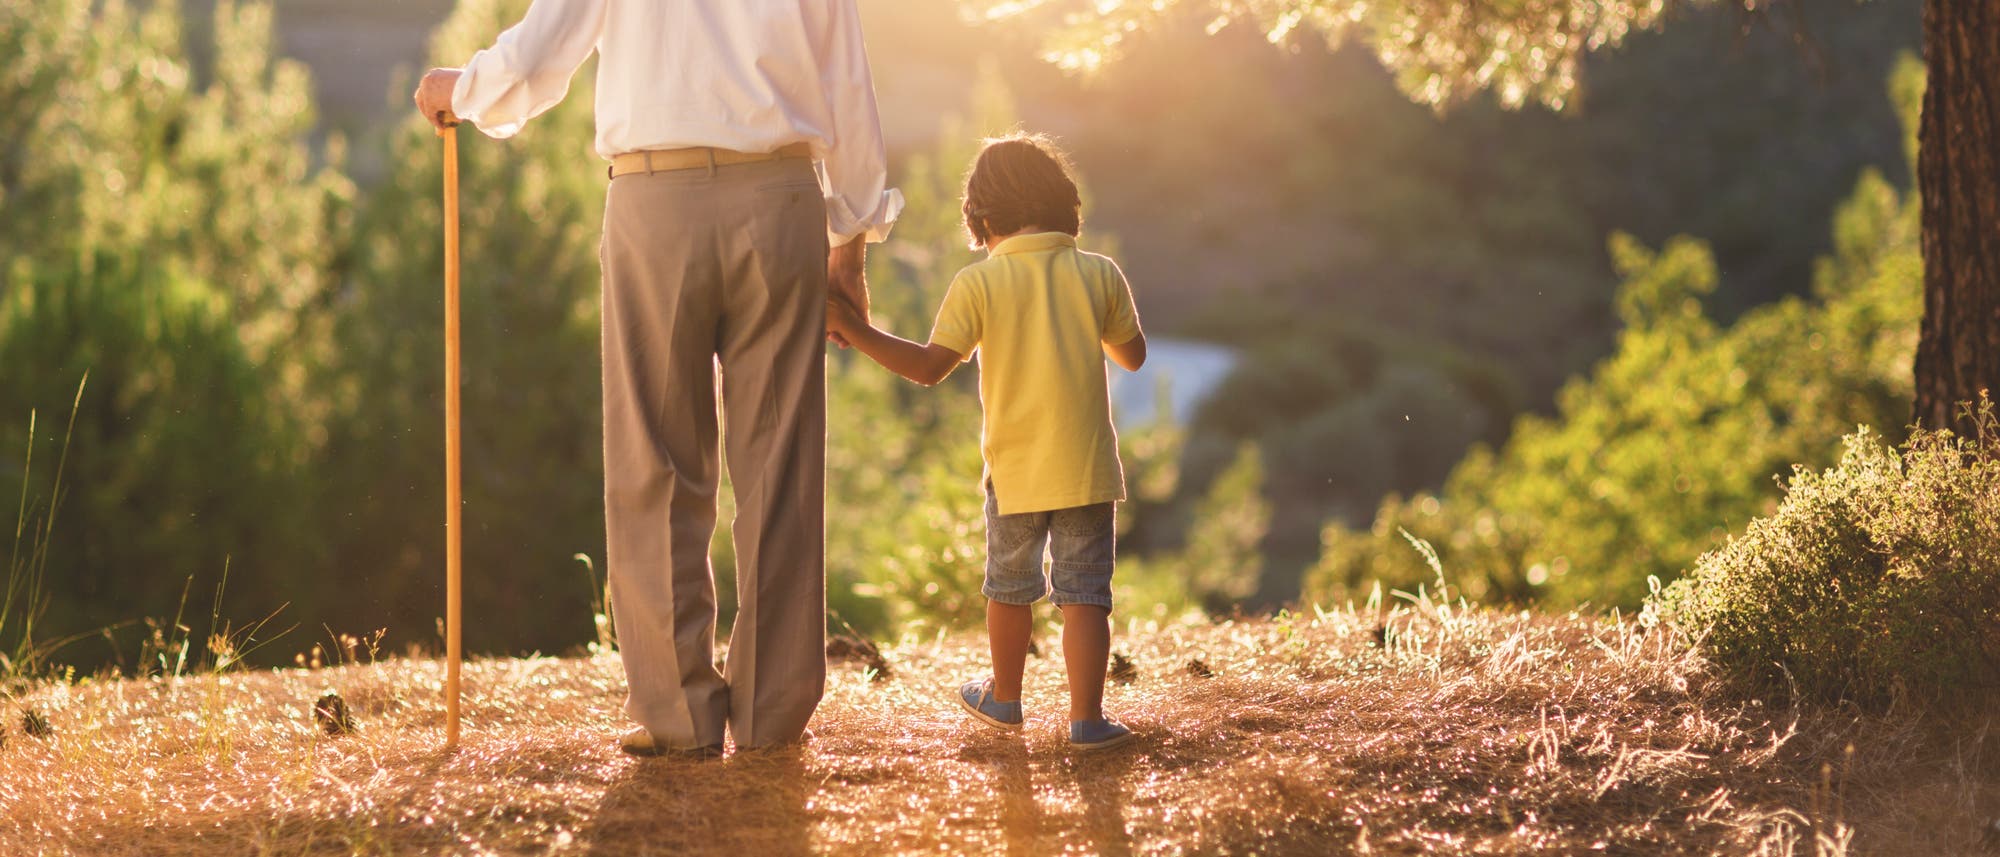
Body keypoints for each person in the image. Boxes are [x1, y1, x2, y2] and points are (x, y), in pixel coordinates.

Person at [412, 0, 903, 757]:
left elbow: (545, 49)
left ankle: (678, 714)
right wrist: (851, 243)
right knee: (781, 461)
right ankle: (772, 715)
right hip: (780, 198)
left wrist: (463, 88)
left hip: (654, 196)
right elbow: (848, 82)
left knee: (655, 459)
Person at [825, 134, 1147, 751]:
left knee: (1009, 588)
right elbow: (1132, 357)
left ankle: (1004, 698)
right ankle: (1087, 720)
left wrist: (853, 328)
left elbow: (927, 368)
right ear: (1064, 208)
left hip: (1017, 472)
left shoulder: (979, 283)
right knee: (1085, 594)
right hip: (1086, 470)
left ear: (983, 219)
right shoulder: (1099, 272)